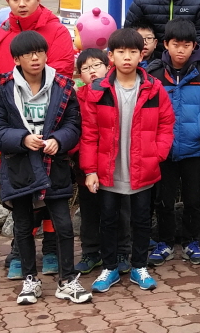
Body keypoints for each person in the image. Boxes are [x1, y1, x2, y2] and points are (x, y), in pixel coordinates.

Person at [0, 30, 89, 305]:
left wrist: (59, 140)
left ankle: (67, 280)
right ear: (16, 59)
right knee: (23, 226)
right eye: (28, 54)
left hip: (55, 166)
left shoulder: (63, 86)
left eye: (40, 52)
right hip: (19, 166)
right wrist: (22, 139)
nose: (35, 58)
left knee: (63, 225)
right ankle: (30, 280)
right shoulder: (2, 88)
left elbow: (74, 124)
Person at [80, 28, 175, 293]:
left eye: (133, 51)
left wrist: (157, 154)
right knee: (108, 219)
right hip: (108, 169)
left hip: (143, 168)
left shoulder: (153, 88)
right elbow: (89, 133)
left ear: (141, 55)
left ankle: (139, 266)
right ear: (110, 56)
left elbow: (166, 124)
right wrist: (90, 170)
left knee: (142, 220)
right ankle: (109, 267)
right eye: (120, 52)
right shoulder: (98, 90)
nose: (127, 57)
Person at [146, 18, 200, 267]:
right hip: (163, 150)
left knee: (193, 199)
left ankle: (192, 242)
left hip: (195, 149)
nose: (181, 50)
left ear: (194, 46)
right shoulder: (154, 73)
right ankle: (165, 243)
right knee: (163, 200)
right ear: (166, 44)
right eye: (176, 44)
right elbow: (145, 107)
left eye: (186, 45)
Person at [72, 49, 132, 277]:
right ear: (80, 74)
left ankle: (121, 252)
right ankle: (91, 252)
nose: (92, 71)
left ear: (108, 67)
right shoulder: (76, 97)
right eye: (85, 68)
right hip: (86, 164)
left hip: (115, 163)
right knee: (89, 211)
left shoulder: (117, 92)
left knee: (121, 210)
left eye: (96, 65)